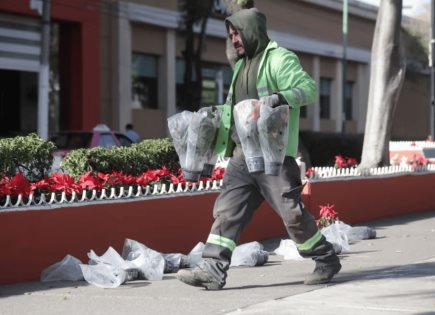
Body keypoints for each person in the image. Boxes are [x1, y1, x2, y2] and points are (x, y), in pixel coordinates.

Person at [176, 8, 341, 290]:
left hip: (273, 155)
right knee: (227, 211)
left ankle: (326, 258)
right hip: (243, 155)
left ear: (251, 31)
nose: (234, 40)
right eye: (230, 35)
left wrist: (279, 98)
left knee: (293, 214)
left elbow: (309, 89)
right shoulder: (242, 65)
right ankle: (213, 270)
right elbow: (234, 108)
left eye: (236, 34)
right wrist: (211, 120)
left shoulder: (280, 58)